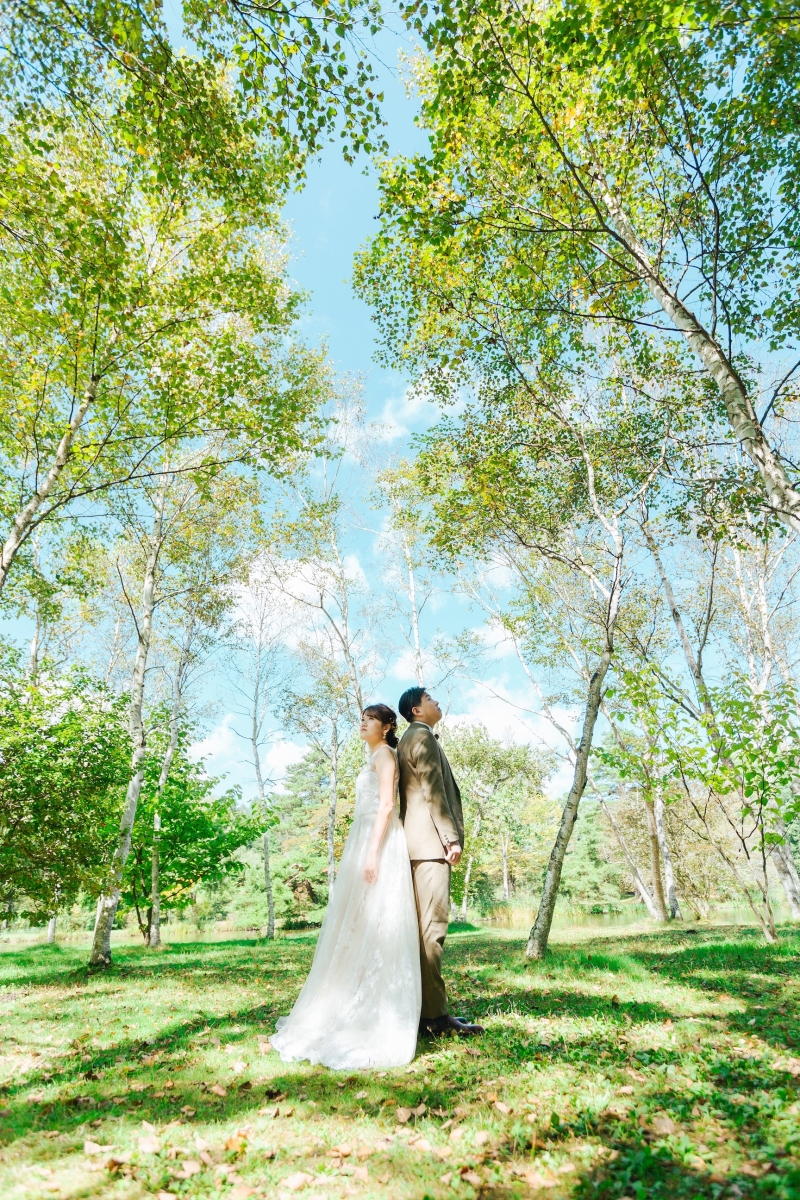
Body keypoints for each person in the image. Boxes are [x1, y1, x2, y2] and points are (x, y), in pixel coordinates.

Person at [271, 703, 421, 1069]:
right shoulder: (374, 756)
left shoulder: (385, 755)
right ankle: (344, 995)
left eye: (370, 719)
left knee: (378, 917)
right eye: (362, 718)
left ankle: (374, 1008)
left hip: (378, 839)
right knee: (356, 921)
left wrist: (372, 854)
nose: (363, 723)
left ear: (387, 727)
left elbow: (386, 806)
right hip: (364, 837)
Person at [397, 687, 485, 1037]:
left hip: (416, 846)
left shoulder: (408, 738)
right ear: (417, 710)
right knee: (432, 932)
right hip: (430, 846)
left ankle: (427, 1010)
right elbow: (433, 791)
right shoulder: (421, 738)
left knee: (422, 932)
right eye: (430, 698)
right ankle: (434, 1019)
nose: (437, 702)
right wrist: (450, 838)